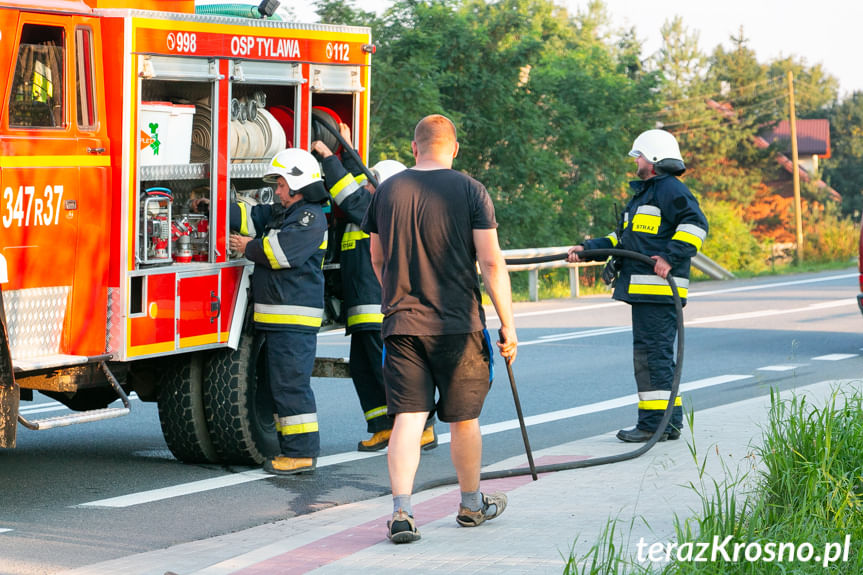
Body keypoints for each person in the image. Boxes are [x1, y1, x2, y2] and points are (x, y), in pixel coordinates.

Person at [362, 114, 518, 544]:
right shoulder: (471, 190)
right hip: (457, 325)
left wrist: (396, 298)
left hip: (402, 324)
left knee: (408, 419)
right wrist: (508, 324)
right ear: (455, 148)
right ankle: (470, 505)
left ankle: (401, 512)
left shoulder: (388, 191)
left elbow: (378, 258)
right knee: (464, 420)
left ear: (415, 148)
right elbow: (490, 261)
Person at [567, 129, 708, 443]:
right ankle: (667, 423)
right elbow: (624, 242)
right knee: (654, 357)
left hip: (658, 291)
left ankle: (653, 425)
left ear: (654, 159)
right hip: (645, 293)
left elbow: (696, 225)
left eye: (640, 155)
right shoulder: (646, 194)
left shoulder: (671, 190)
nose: (637, 161)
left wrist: (669, 257)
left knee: (652, 358)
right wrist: (587, 248)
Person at [311, 131, 437, 452]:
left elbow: (349, 196)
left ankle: (422, 426)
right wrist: (347, 149)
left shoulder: (380, 208)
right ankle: (382, 425)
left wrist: (329, 156)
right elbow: (353, 189)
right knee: (364, 369)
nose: (366, 184)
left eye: (373, 180)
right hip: (362, 310)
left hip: (379, 309)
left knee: (392, 371)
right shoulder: (369, 208)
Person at [229, 148, 329, 475]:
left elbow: (283, 253)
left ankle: (300, 453)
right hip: (278, 319)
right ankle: (293, 449)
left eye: (283, 184)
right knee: (279, 386)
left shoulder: (310, 218)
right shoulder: (282, 213)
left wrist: (248, 247)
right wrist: (217, 207)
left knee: (290, 386)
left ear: (299, 184)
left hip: (294, 320)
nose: (279, 191)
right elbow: (251, 217)